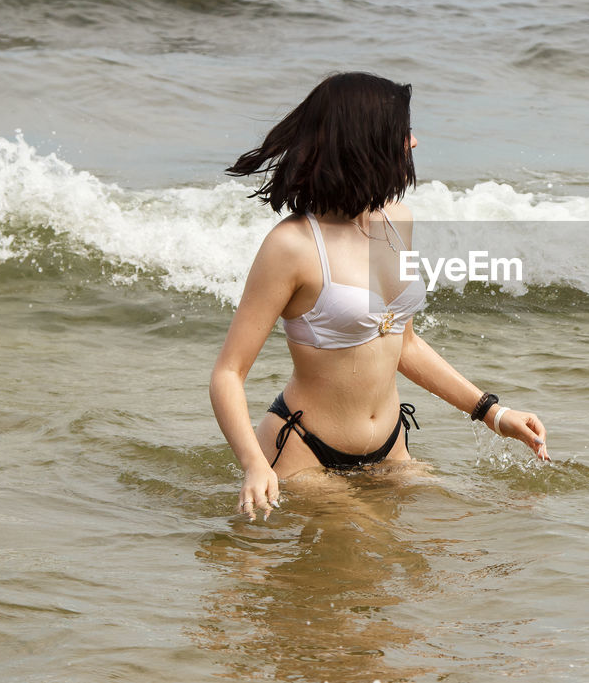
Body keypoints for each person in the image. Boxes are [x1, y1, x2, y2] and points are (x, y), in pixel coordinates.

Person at [210, 72, 550, 521]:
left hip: (392, 450)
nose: (414, 142)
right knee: (376, 553)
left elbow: (402, 343)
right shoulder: (292, 245)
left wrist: (493, 412)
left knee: (481, 534)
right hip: (305, 452)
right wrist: (254, 464)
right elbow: (228, 374)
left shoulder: (397, 221)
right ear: (365, 141)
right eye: (403, 132)